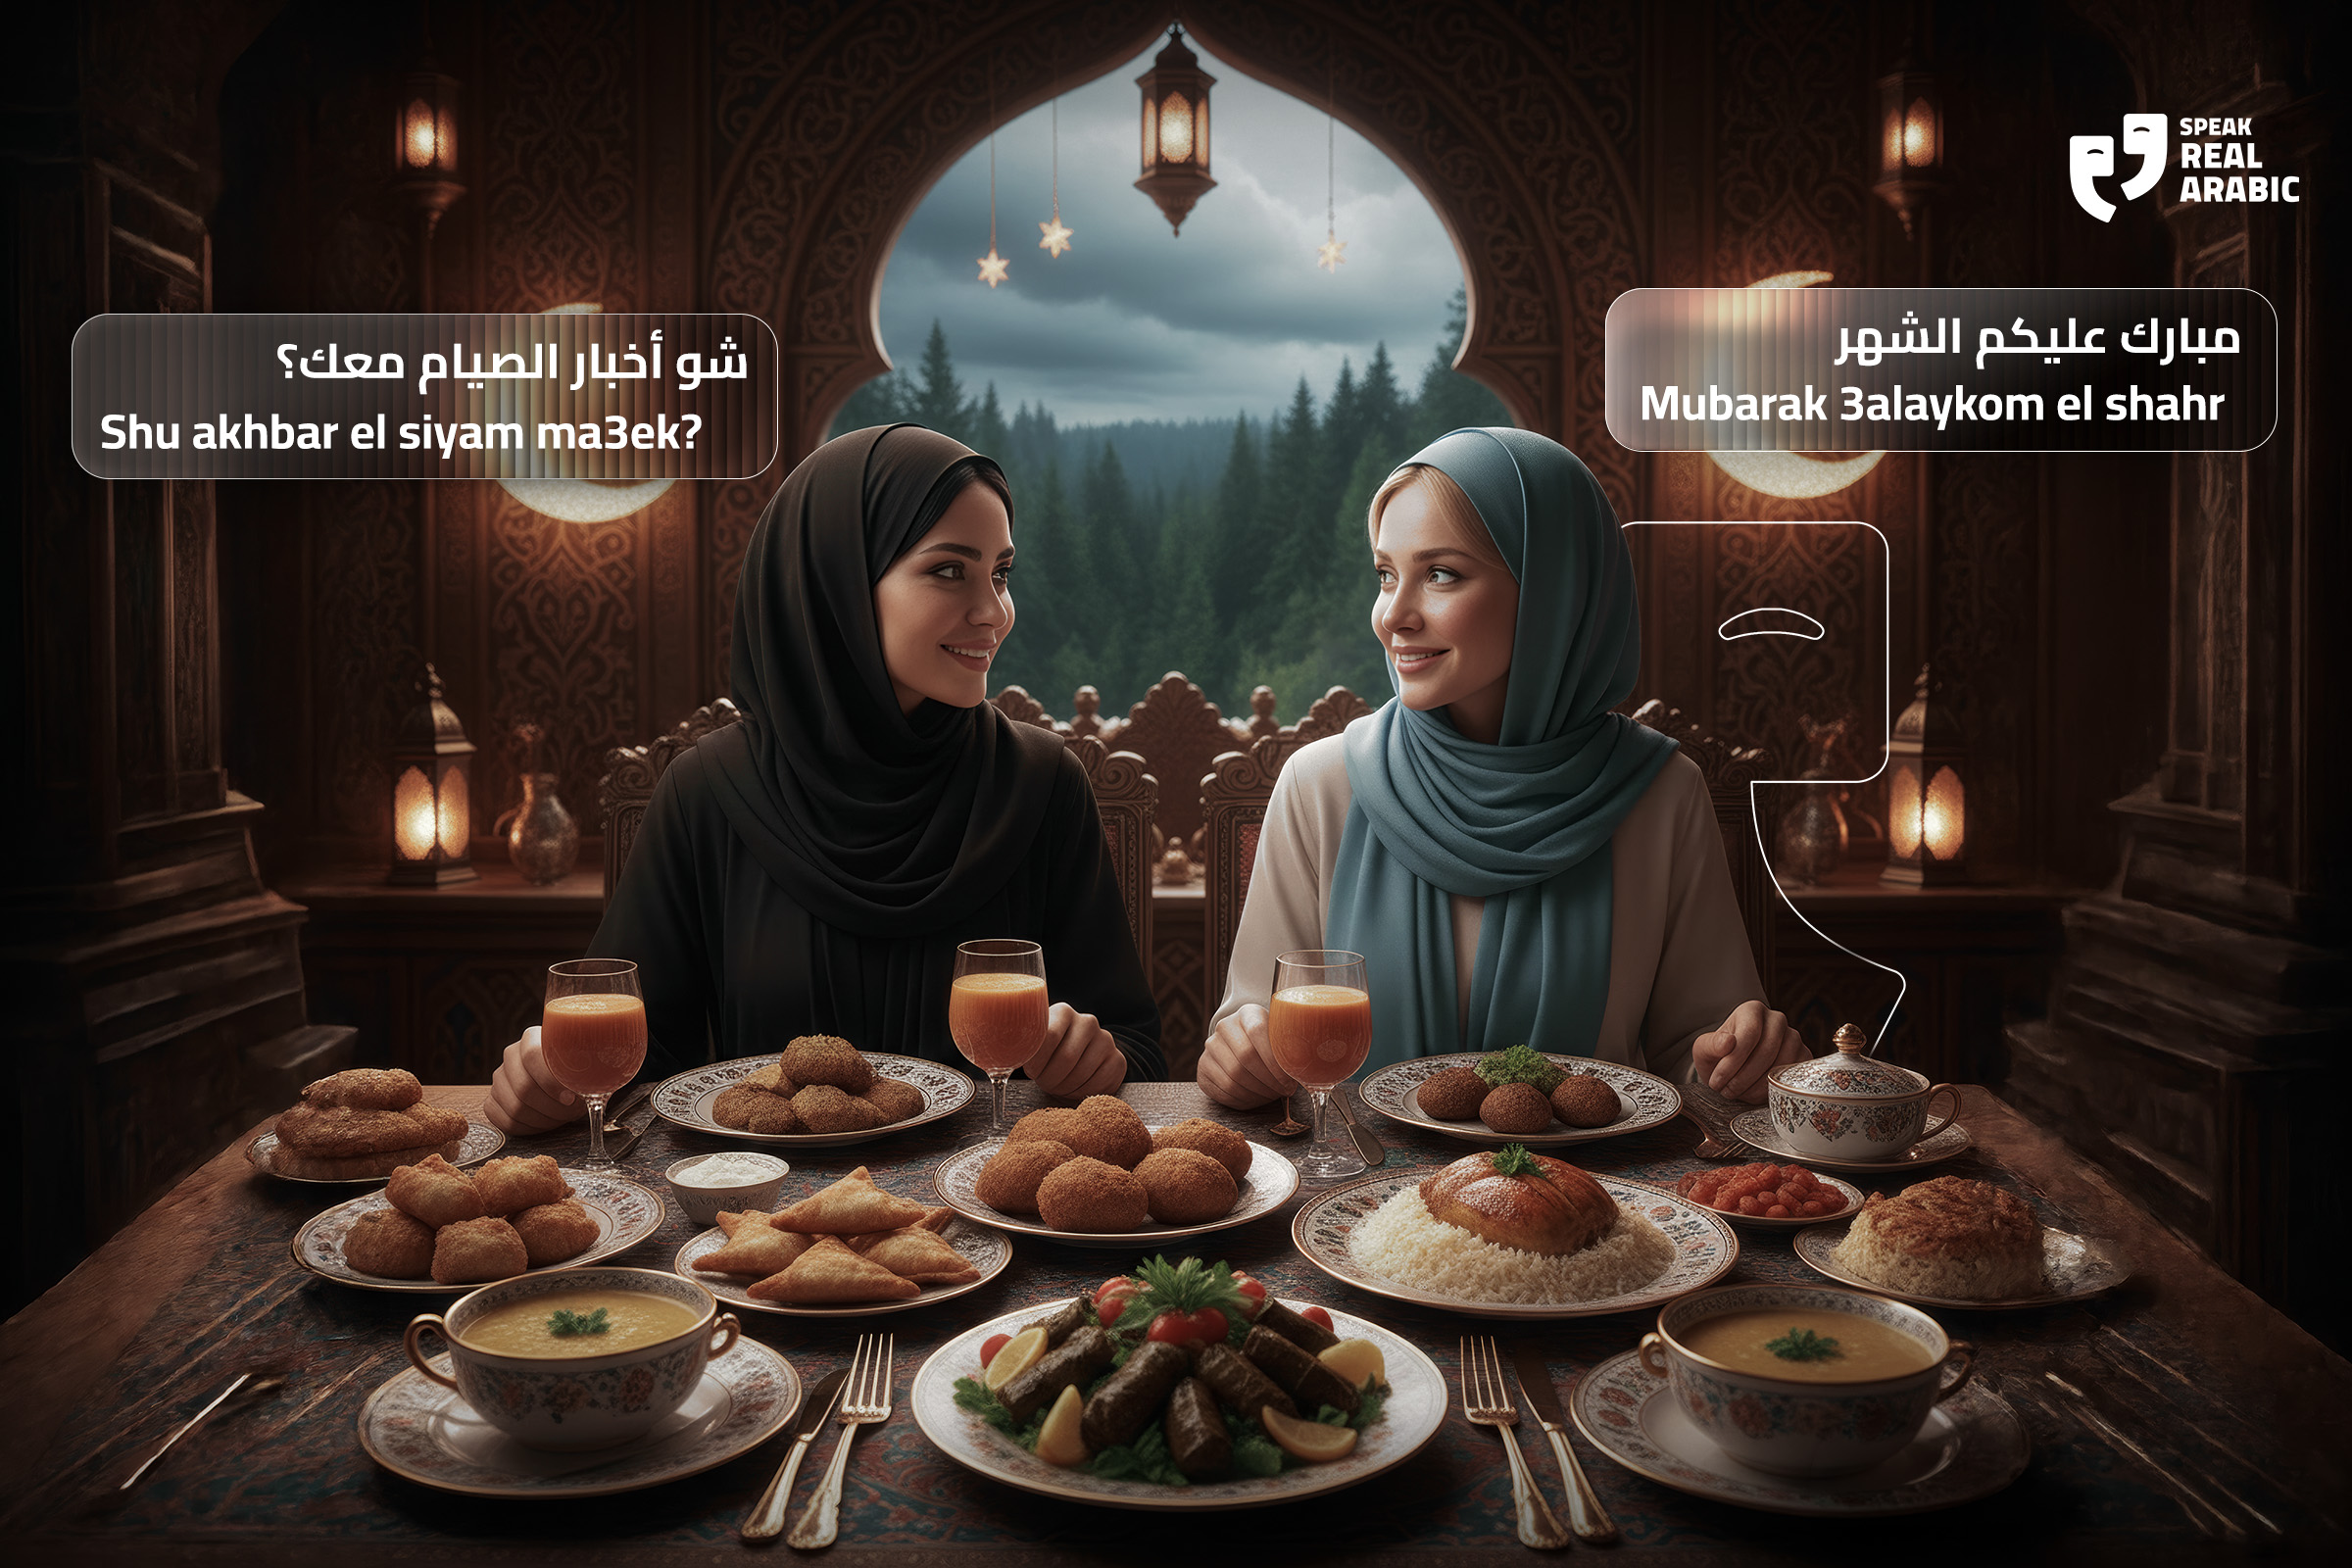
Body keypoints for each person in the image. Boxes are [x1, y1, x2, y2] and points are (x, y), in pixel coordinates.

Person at [489, 424, 1160, 1134]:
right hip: (754, 1222)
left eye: (1000, 573)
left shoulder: (1042, 783)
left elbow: (1140, 1058)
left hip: (991, 1211)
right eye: (949, 570)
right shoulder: (705, 793)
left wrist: (1094, 1060)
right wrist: (546, 1086)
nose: (995, 611)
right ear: (834, 582)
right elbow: (630, 1068)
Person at [1198, 427, 1801, 1109]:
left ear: (1554, 593)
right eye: (1386, 574)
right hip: (1359, 1205)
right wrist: (1239, 1057)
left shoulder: (1661, 793)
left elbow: (1697, 1059)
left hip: (1592, 1202)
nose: (1393, 615)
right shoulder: (1323, 784)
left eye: (1441, 574)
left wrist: (1742, 1058)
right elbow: (1248, 1031)